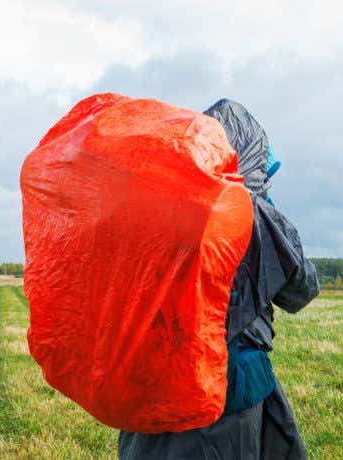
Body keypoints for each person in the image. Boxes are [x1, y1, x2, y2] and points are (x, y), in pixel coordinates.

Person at [118, 99, 319, 460]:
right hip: (224, 395)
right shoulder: (253, 215)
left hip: (149, 385)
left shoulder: (154, 207)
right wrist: (266, 207)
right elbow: (301, 290)